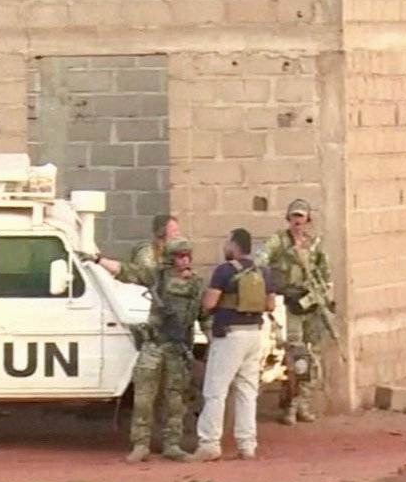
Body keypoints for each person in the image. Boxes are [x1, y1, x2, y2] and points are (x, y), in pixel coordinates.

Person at [187, 228, 276, 462]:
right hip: (255, 334)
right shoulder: (264, 273)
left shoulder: (224, 271)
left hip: (229, 336)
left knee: (216, 391)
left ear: (234, 245)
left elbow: (209, 303)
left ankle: (209, 443)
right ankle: (247, 445)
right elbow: (270, 305)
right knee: (247, 391)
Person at [122, 240, 204, 462]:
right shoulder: (156, 277)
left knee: (176, 400)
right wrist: (98, 260)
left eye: (187, 255)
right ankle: (140, 444)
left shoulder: (196, 285)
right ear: (170, 258)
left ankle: (172, 444)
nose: (185, 260)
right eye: (180, 256)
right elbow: (125, 271)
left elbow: (204, 314)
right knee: (143, 397)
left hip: (178, 348)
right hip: (154, 345)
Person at [264, 198, 333, 425]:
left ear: (308, 220)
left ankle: (303, 404)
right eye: (294, 216)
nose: (297, 221)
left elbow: (325, 275)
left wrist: (325, 299)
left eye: (301, 217)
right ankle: (290, 407)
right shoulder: (279, 242)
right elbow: (262, 259)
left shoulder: (314, 245)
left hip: (310, 307)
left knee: (312, 357)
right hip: (289, 306)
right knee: (295, 355)